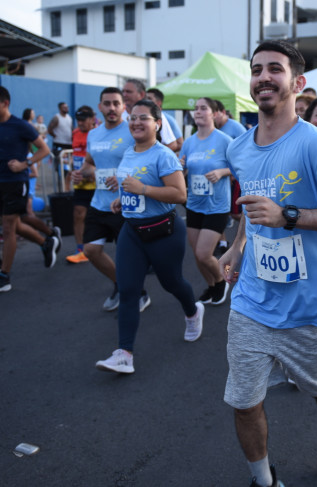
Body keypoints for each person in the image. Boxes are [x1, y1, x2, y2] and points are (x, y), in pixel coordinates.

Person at [218, 39, 317, 486]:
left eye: (275, 69)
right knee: (243, 400)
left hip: (308, 302)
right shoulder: (239, 149)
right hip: (252, 300)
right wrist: (237, 245)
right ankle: (264, 480)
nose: (264, 76)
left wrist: (289, 217)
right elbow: (254, 207)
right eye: (256, 69)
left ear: (297, 83)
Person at [94, 99, 203, 374]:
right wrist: (122, 199)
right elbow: (132, 188)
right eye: (132, 118)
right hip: (132, 231)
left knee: (172, 282)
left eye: (143, 118)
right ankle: (124, 354)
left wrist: (142, 189)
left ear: (157, 124)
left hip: (164, 230)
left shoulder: (163, 154)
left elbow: (180, 195)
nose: (136, 122)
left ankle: (193, 312)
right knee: (128, 289)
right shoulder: (129, 152)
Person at [73, 88, 151, 312]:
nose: (112, 108)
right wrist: (83, 172)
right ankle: (121, 284)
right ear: (100, 107)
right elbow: (89, 163)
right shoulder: (94, 134)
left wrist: (126, 177)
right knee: (90, 251)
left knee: (127, 257)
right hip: (99, 203)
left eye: (116, 103)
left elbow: (147, 161)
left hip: (125, 205)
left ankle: (138, 293)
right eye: (107, 104)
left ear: (123, 107)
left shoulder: (131, 131)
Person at [0, 86, 59, 293]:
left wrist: (25, 164)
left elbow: (44, 149)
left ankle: (4, 276)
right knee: (11, 224)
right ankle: (46, 242)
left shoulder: (21, 126)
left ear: (5, 103)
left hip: (17, 181)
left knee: (8, 227)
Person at [180, 97, 233, 305]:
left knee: (204, 254)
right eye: (196, 108)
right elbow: (182, 170)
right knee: (197, 254)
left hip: (217, 205)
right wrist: (179, 167)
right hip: (194, 204)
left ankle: (222, 280)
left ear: (214, 113)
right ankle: (211, 286)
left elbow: (239, 168)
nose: (198, 111)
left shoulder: (223, 140)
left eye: (203, 108)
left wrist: (221, 171)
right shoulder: (189, 141)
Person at [65, 106, 98, 264]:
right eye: (78, 120)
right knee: (78, 214)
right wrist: (73, 171)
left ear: (92, 119)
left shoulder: (98, 134)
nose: (80, 123)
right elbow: (76, 156)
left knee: (102, 218)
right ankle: (81, 249)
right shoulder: (75, 133)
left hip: (97, 183)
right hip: (81, 181)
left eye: (83, 120)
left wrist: (95, 172)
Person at [121, 79, 180, 153]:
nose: (124, 95)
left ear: (142, 94)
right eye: (123, 91)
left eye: (129, 92)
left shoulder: (154, 113)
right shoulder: (119, 115)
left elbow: (172, 144)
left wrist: (150, 157)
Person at [146, 88, 184, 153]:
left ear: (158, 103)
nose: (146, 101)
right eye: (145, 98)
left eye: (149, 98)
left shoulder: (168, 119)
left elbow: (180, 143)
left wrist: (157, 153)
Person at [48, 102, 73, 191]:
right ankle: (61, 190)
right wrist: (55, 136)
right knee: (61, 169)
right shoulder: (56, 118)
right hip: (59, 145)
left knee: (70, 169)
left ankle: (67, 188)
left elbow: (70, 129)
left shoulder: (69, 118)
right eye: (64, 107)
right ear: (60, 108)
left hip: (68, 145)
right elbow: (49, 128)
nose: (66, 108)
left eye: (67, 107)